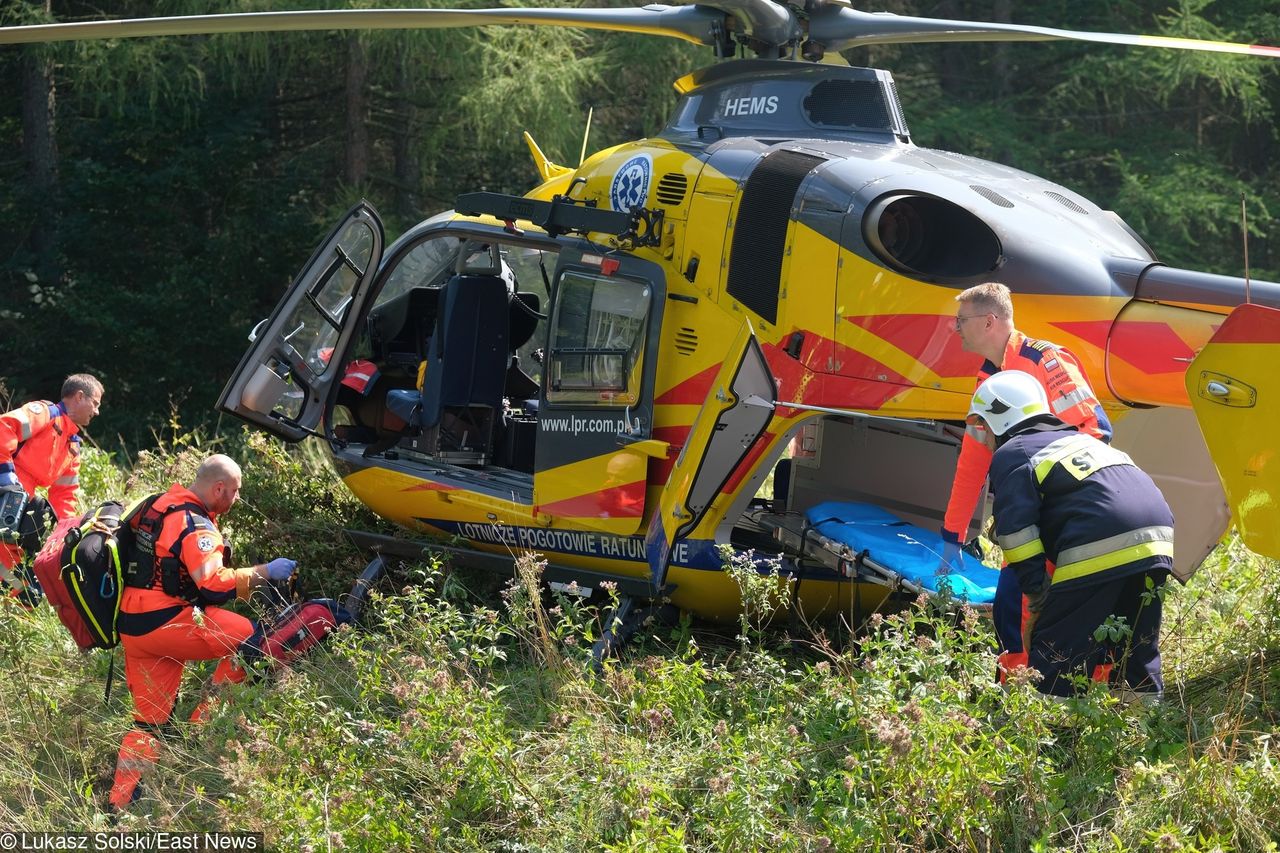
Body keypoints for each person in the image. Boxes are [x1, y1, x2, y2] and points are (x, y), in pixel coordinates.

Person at [968, 371, 1173, 701]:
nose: (985, 441)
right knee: (1135, 645)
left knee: (1059, 647)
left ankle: (1050, 740)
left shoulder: (1015, 452)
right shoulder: (1084, 441)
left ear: (998, 421)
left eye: (983, 430)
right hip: (1158, 537)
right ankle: (1145, 733)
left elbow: (1016, 532)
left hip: (1101, 538)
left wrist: (1038, 593)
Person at [109, 454, 296, 810]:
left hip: (133, 626)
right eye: (235, 492)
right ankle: (201, 731)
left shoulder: (160, 505)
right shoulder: (194, 523)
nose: (237, 499)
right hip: (164, 621)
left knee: (149, 723)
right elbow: (211, 586)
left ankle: (119, 807)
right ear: (219, 488)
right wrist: (264, 570)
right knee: (250, 639)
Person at [944, 283, 1112, 671]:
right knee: (1011, 608)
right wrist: (952, 535)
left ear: (989, 321)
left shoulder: (1047, 360)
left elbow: (1097, 431)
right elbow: (972, 461)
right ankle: (1025, 698)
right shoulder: (988, 380)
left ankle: (1028, 703)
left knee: (1031, 610)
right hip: (1029, 517)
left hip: (1064, 516)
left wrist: (1045, 500)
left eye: (961, 320)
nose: (955, 328)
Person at [0, 374, 103, 602]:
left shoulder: (73, 445)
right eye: (95, 403)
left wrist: (65, 533)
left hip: (21, 502)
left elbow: (64, 496)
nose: (96, 411)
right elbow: (3, 426)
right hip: (8, 490)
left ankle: (21, 607)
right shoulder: (44, 413)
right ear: (79, 396)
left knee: (20, 573)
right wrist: (6, 477)